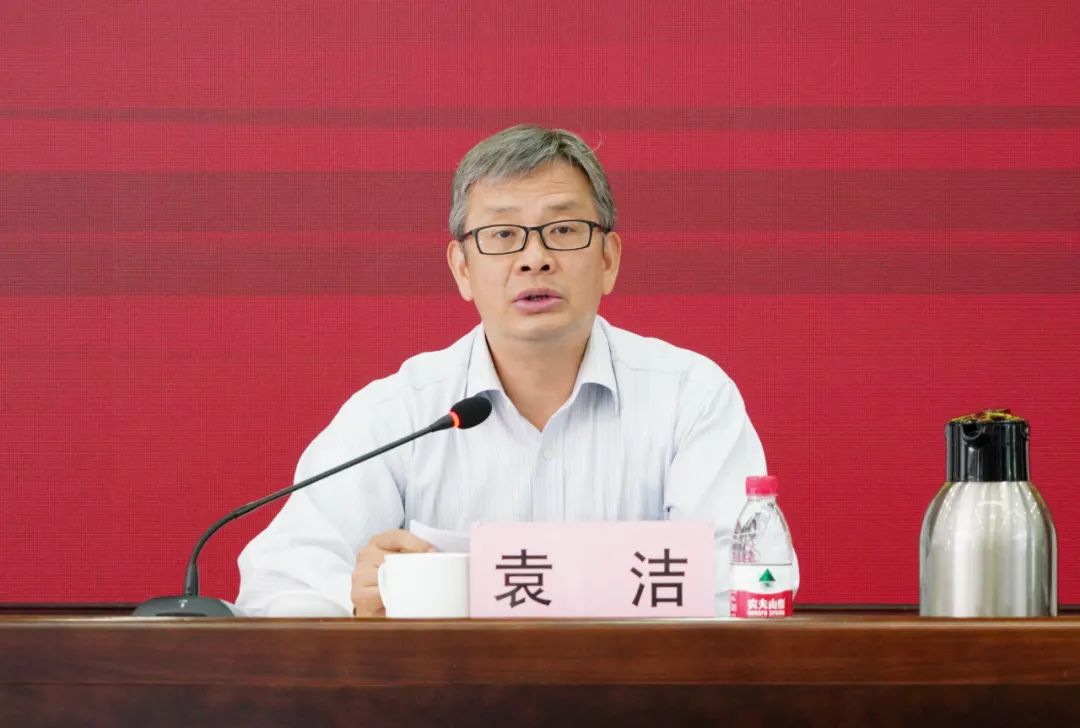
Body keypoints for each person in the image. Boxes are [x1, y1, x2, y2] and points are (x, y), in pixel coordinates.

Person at [236, 124, 770, 617]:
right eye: (502, 234)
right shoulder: (398, 415)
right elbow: (277, 585)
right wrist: (356, 600)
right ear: (462, 269)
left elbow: (740, 585)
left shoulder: (689, 398)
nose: (534, 258)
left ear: (608, 259)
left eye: (564, 229)